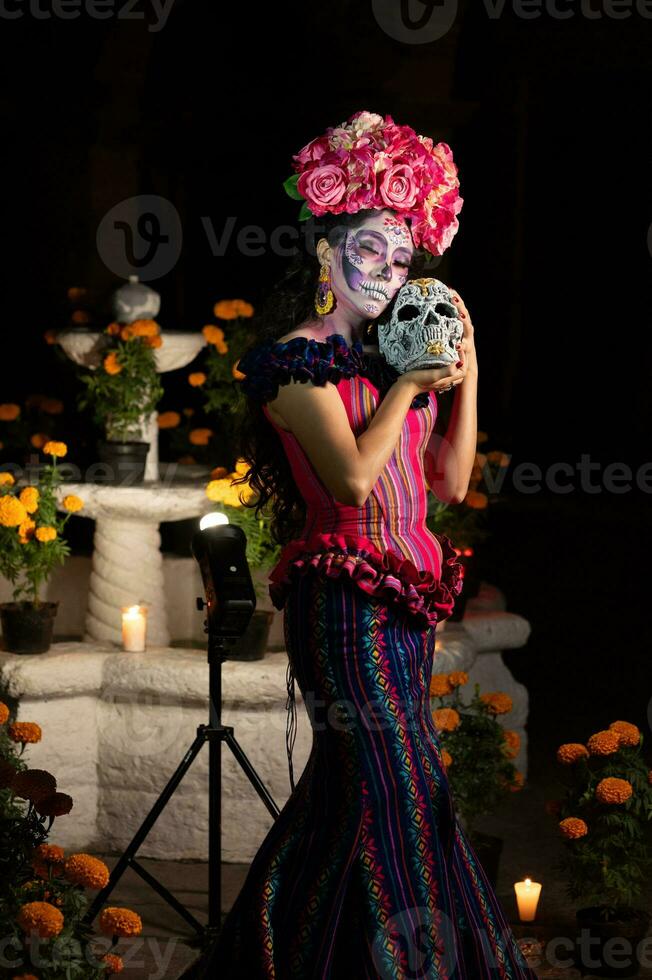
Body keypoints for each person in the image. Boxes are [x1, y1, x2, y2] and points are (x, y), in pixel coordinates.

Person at [183, 111, 536, 979]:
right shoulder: (291, 366)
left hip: (405, 606)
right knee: (398, 795)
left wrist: (467, 367)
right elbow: (348, 482)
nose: (386, 272)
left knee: (356, 804)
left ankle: (282, 957)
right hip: (343, 607)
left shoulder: (391, 368)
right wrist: (410, 381)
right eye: (369, 251)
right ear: (324, 255)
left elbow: (451, 483)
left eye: (402, 258)